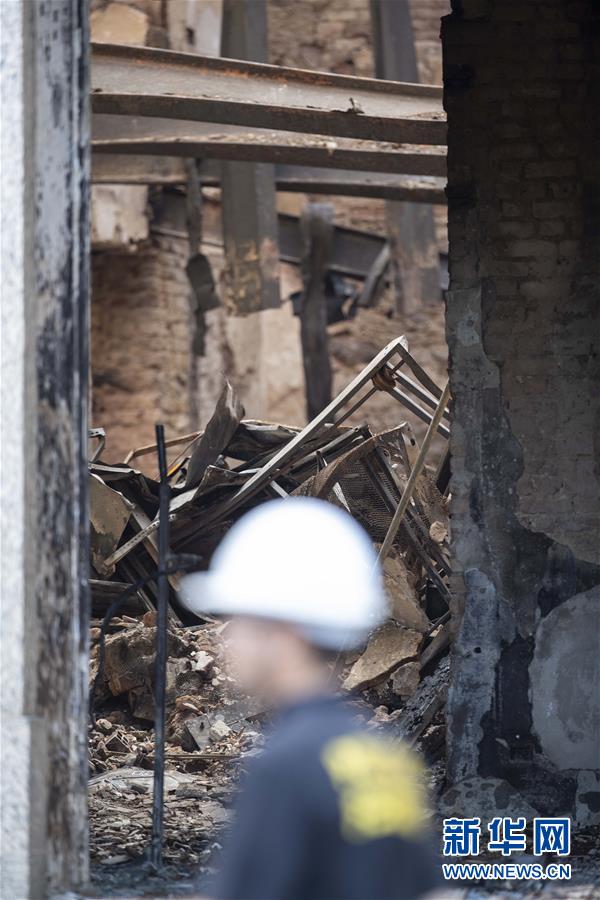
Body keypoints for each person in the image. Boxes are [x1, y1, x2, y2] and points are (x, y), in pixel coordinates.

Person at [180, 497, 440, 900]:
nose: (226, 637)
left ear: (285, 632)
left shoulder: (287, 765)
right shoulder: (383, 757)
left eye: (242, 620)